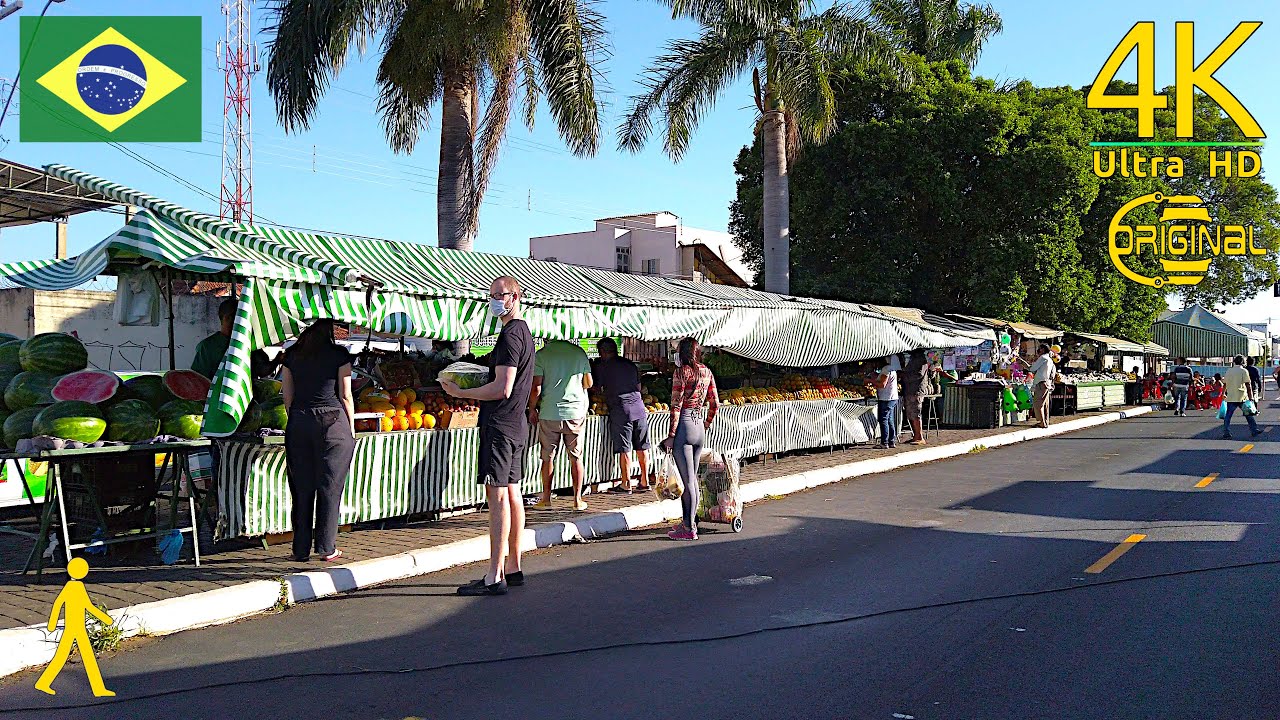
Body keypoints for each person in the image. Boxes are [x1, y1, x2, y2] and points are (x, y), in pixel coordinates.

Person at [441, 276, 535, 595]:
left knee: (496, 496)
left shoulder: (511, 335)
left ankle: (494, 575)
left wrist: (460, 393)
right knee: (511, 492)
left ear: (516, 297)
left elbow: (502, 387)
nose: (495, 300)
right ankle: (513, 566)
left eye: (501, 295)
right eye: (492, 295)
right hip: (516, 424)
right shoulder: (524, 332)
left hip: (500, 425)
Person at [282, 319, 356, 563]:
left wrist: (297, 420)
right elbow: (346, 396)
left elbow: (287, 397)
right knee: (330, 486)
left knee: (301, 487)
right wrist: (352, 430)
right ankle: (326, 547)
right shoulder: (339, 354)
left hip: (299, 421)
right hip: (333, 422)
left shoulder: (291, 355)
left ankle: (300, 549)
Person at [662, 337, 718, 541]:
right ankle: (688, 522)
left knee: (687, 481)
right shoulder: (706, 371)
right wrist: (705, 424)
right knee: (692, 479)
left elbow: (675, 406)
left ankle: (689, 526)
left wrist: (671, 436)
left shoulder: (681, 372)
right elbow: (715, 404)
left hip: (684, 425)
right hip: (698, 425)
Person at [34, 558, 115, 697]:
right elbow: (60, 604)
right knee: (71, 657)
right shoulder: (72, 587)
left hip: (78, 628)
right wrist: (52, 623)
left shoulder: (78, 587)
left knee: (83, 657)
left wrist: (104, 618)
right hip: (73, 628)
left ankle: (98, 689)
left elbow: (85, 606)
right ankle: (44, 682)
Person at [529, 339, 593, 511]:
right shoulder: (579, 352)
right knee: (576, 457)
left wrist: (532, 408)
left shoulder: (541, 355)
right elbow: (589, 383)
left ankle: (546, 499)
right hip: (575, 412)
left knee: (548, 457)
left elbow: (536, 388)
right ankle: (577, 500)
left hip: (549, 412)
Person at [595, 338, 651, 492]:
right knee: (642, 446)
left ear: (602, 352)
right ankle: (644, 481)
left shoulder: (603, 366)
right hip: (640, 409)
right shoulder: (630, 364)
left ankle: (626, 483)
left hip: (622, 410)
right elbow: (639, 387)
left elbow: (597, 388)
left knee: (624, 448)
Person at [191, 298, 238, 380]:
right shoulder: (207, 347)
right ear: (226, 318)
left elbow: (263, 370)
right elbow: (199, 380)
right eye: (235, 318)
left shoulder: (246, 344)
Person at [900, 349, 937, 445]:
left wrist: (903, 374)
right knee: (911, 414)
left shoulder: (920, 360)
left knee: (915, 413)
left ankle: (919, 436)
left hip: (916, 390)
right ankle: (915, 435)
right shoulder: (915, 360)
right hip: (911, 390)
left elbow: (917, 374)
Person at [1221, 355, 1262, 440]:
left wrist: (1223, 394)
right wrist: (1251, 397)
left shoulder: (1229, 371)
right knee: (1248, 415)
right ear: (1243, 362)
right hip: (1242, 396)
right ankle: (1254, 430)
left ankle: (1226, 432)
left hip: (1231, 396)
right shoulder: (1244, 371)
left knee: (1228, 416)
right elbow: (1248, 384)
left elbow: (1224, 384)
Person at [873, 354, 901, 449]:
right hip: (892, 398)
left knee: (883, 420)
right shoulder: (892, 369)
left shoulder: (886, 369)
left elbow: (882, 384)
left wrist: (870, 381)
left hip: (886, 398)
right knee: (889, 420)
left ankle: (884, 442)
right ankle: (891, 441)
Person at [1028, 344, 1056, 428]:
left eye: (1039, 349)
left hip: (1041, 383)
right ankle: (1045, 421)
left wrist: (1028, 365)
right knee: (1045, 405)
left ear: (1043, 350)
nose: (1038, 351)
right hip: (1047, 383)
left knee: (1038, 404)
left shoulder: (1043, 358)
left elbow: (1033, 368)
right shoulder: (1050, 360)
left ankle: (1041, 422)